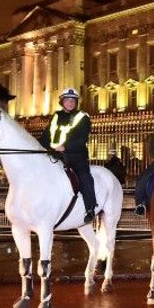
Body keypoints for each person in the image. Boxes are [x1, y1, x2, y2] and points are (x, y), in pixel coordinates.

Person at [40, 88, 96, 224]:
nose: (70, 102)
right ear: (62, 102)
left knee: (84, 177)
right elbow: (47, 135)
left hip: (76, 156)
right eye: (67, 100)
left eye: (73, 100)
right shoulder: (56, 116)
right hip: (55, 155)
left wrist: (65, 147)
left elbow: (82, 138)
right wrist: (41, 147)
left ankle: (90, 208)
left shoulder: (82, 117)